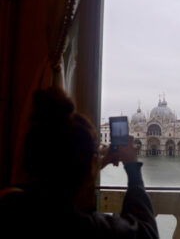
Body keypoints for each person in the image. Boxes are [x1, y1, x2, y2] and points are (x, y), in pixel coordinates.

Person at [0, 87, 159, 238]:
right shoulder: (93, 229)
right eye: (96, 152)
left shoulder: (9, 203)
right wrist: (132, 166)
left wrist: (98, 161)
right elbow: (147, 233)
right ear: (90, 163)